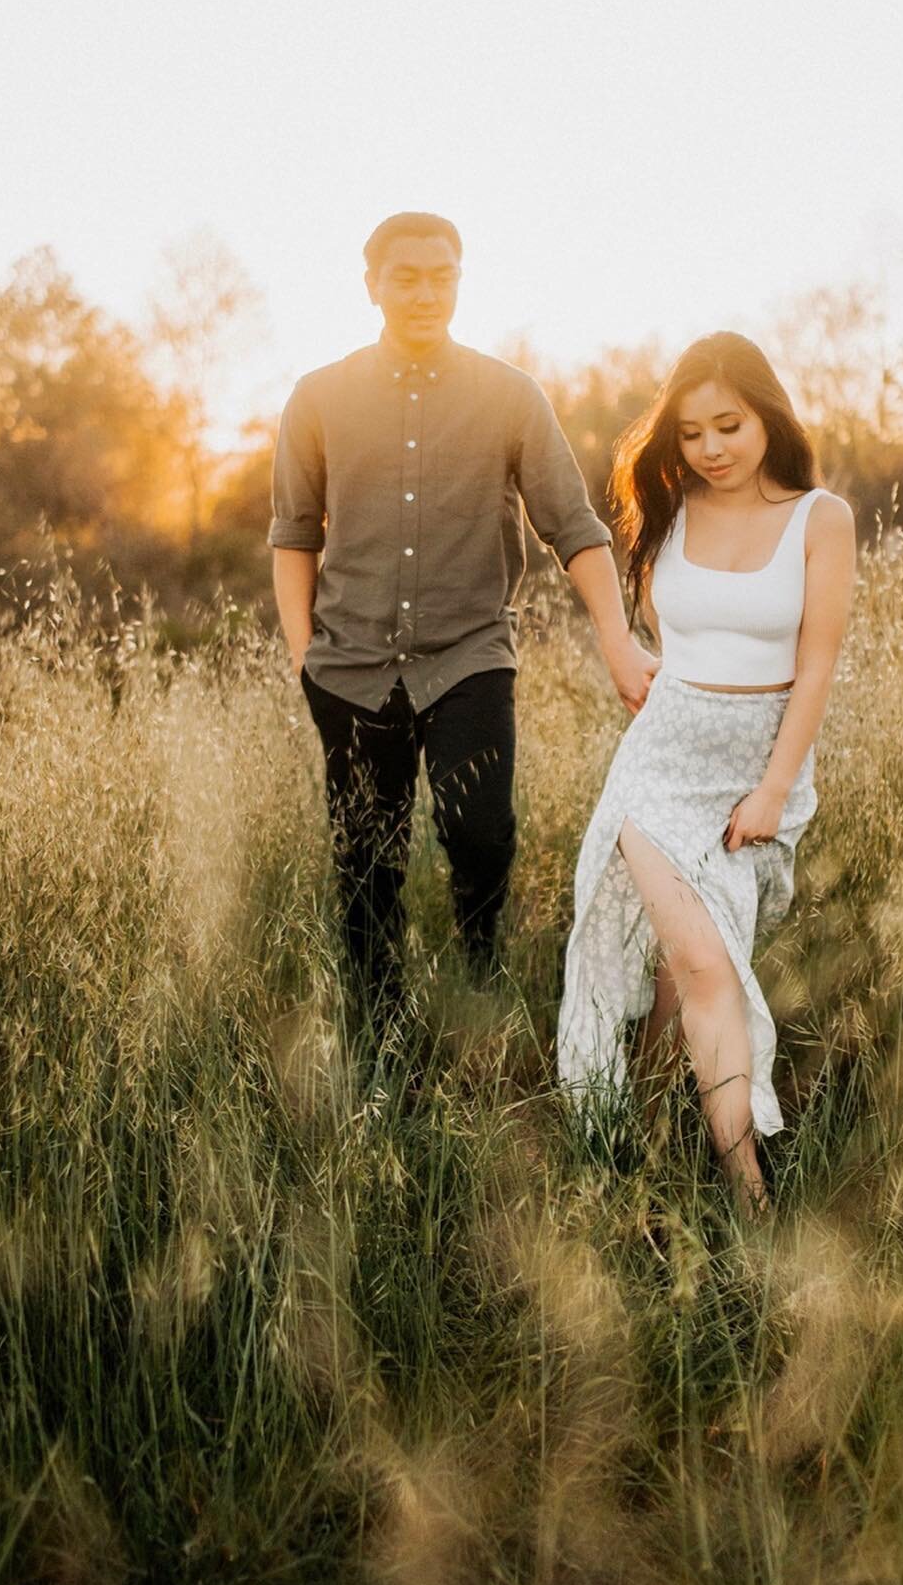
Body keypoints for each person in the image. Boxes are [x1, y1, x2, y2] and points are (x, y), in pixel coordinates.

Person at [272, 212, 658, 1047]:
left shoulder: (509, 395)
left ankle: (479, 968)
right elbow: (294, 538)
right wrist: (307, 662)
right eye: (405, 276)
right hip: (349, 670)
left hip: (469, 657)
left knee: (479, 831)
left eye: (441, 275)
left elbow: (577, 528)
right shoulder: (319, 397)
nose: (424, 291)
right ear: (370, 284)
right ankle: (382, 1037)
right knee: (366, 864)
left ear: (460, 281)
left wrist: (618, 641)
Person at [557, 333, 856, 1215]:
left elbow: (818, 666)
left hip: (758, 773)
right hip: (661, 764)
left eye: (729, 426)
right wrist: (632, 655)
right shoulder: (671, 506)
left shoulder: (820, 517)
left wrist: (771, 790)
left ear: (768, 415)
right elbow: (667, 629)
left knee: (674, 982)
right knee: (704, 963)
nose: (711, 448)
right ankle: (747, 1190)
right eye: (691, 434)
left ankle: (644, 1141)